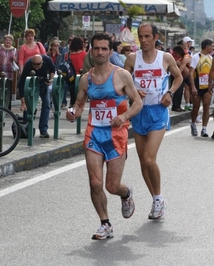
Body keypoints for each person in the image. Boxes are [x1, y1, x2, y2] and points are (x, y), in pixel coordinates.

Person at [66, 32, 142, 240]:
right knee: (95, 182)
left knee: (111, 186)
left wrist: (124, 115)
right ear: (91, 50)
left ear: (110, 51)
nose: (100, 52)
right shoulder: (86, 79)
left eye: (104, 49)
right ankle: (105, 223)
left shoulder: (121, 75)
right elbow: (79, 104)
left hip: (116, 135)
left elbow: (137, 102)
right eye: (96, 48)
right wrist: (72, 113)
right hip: (94, 134)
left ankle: (126, 194)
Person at [124, 22, 183, 219]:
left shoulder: (164, 57)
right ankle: (155, 199)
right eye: (141, 36)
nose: (144, 40)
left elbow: (179, 78)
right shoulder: (132, 58)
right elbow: (124, 82)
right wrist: (133, 90)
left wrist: (170, 93)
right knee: (143, 162)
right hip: (139, 112)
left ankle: (158, 198)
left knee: (150, 158)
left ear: (156, 38)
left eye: (148, 36)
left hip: (158, 112)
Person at [18, 54, 55, 138]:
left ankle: (43, 130)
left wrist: (51, 79)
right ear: (32, 62)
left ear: (42, 62)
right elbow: (21, 84)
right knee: (29, 105)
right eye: (34, 65)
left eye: (39, 64)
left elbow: (53, 69)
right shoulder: (28, 65)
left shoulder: (47, 60)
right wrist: (23, 102)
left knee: (46, 104)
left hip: (43, 84)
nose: (36, 67)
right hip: (31, 85)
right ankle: (27, 128)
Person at [189, 39, 214, 137]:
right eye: (211, 46)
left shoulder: (211, 58)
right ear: (207, 46)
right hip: (197, 86)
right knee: (196, 108)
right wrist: (193, 87)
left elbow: (212, 72)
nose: (213, 48)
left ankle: (204, 128)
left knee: (206, 107)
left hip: (207, 87)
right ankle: (193, 123)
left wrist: (212, 83)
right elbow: (191, 73)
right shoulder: (196, 57)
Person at [65, 36, 87, 107]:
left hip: (70, 77)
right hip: (81, 76)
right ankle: (78, 109)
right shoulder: (84, 54)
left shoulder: (67, 55)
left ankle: (72, 108)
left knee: (72, 95)